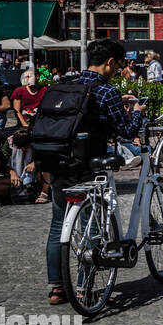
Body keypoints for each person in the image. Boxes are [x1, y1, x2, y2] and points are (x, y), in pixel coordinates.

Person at [43, 38, 147, 305]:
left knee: (58, 225)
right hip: (89, 166)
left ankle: (57, 288)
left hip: (57, 163)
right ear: (110, 62)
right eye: (118, 65)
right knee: (93, 228)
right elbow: (126, 130)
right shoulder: (105, 91)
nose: (118, 70)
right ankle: (84, 289)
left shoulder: (64, 85)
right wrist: (137, 112)